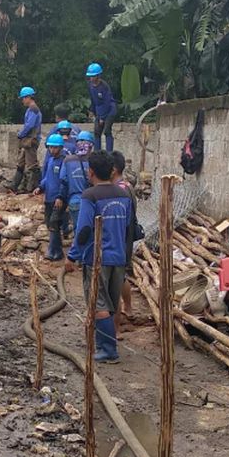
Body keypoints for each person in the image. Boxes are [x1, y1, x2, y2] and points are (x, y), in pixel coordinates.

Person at [67, 150, 134, 363]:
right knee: (111, 303)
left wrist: (72, 256)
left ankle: (108, 350)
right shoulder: (124, 195)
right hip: (119, 257)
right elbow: (128, 227)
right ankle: (106, 343)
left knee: (99, 304)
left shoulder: (90, 196)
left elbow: (84, 228)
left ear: (91, 172)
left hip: (97, 259)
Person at [110, 149, 137, 337]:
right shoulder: (127, 186)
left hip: (120, 238)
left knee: (115, 281)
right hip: (127, 237)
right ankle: (128, 307)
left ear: (112, 169)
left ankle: (116, 329)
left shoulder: (118, 190)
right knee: (123, 275)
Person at [33, 133, 68, 260]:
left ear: (61, 148)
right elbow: (47, 178)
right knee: (50, 224)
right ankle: (57, 251)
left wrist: (60, 196)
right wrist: (40, 187)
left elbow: (64, 181)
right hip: (49, 197)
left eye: (55, 148)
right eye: (50, 147)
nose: (52, 150)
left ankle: (53, 251)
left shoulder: (64, 161)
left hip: (58, 199)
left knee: (54, 223)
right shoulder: (50, 161)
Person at [62, 131, 94, 237]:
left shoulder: (68, 160)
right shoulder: (94, 161)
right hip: (91, 202)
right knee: (90, 232)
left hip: (74, 201)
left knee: (78, 233)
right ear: (91, 146)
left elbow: (63, 180)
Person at [13, 86, 42, 193]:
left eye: (24, 98)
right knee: (21, 162)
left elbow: (29, 125)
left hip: (31, 140)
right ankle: (14, 185)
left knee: (32, 165)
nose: (22, 100)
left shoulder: (33, 109)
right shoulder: (30, 109)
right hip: (28, 140)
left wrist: (20, 134)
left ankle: (33, 187)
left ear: (29, 97)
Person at [86, 62, 117, 151]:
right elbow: (93, 100)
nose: (92, 78)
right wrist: (92, 111)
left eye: (94, 76)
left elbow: (106, 103)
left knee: (107, 131)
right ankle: (97, 153)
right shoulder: (90, 86)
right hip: (99, 110)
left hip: (109, 110)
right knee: (97, 132)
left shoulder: (104, 86)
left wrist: (102, 118)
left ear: (98, 76)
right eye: (90, 76)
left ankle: (109, 153)